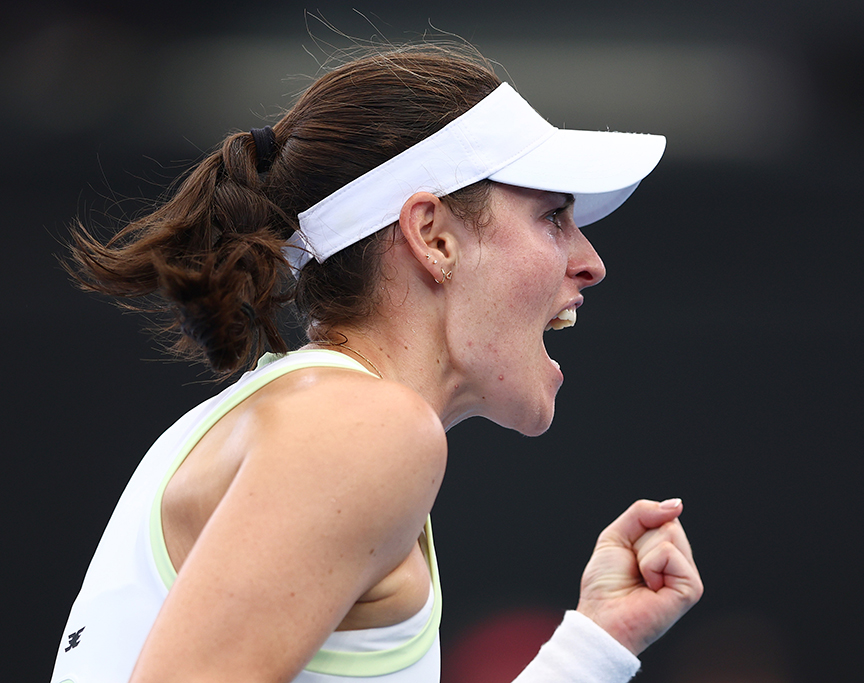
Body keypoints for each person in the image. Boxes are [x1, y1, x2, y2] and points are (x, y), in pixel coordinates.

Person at [51, 43, 702, 683]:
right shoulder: (362, 430)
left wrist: (594, 647)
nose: (591, 262)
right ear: (433, 236)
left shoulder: (308, 420)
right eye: (553, 216)